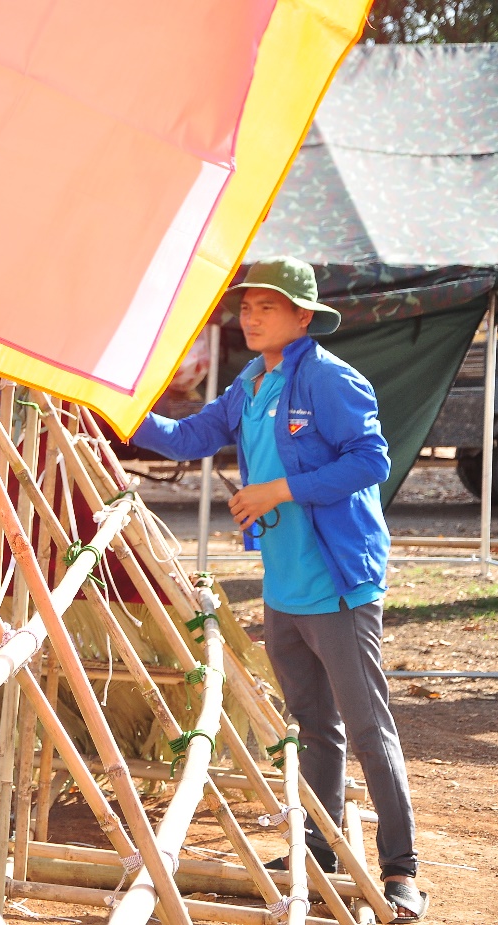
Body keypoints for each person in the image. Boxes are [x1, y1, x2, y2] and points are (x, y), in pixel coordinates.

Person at [131, 257, 427, 922]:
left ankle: (401, 868)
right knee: (313, 727)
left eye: (268, 305)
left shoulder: (329, 378)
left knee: (366, 726)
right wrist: (121, 412)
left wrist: (277, 490)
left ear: (302, 316)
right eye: (247, 305)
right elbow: (188, 438)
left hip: (339, 583)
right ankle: (319, 848)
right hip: (284, 585)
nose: (252, 316)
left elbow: (370, 460)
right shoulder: (251, 382)